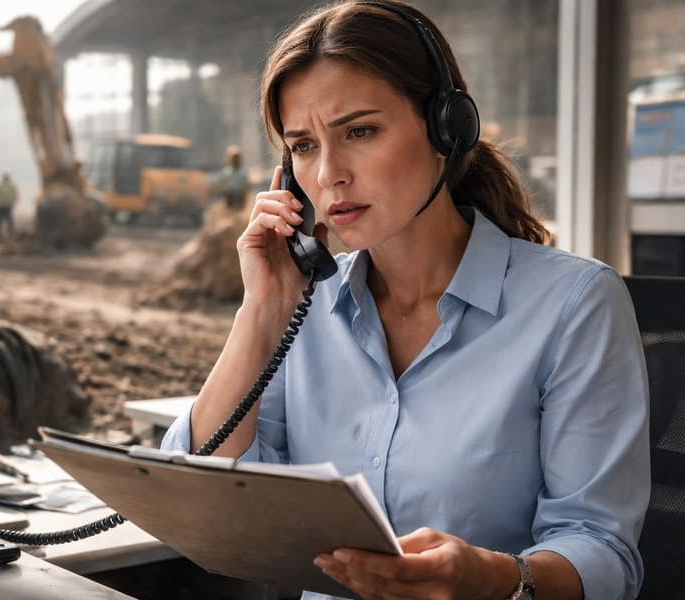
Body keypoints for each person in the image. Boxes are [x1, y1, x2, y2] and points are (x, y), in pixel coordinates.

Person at [161, 2, 649, 600]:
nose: (330, 174)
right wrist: (261, 309)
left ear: (448, 129)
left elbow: (603, 550)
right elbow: (199, 496)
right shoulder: (303, 308)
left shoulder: (575, 304)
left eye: (359, 132)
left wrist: (494, 579)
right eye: (304, 146)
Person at [218, 144, 250, 210]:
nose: (235, 160)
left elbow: (246, 187)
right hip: (230, 199)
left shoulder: (243, 173)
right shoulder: (226, 172)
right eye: (233, 158)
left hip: (240, 199)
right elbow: (222, 187)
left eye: (236, 158)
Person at [0, 171, 18, 239]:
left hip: (5, 204)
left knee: (4, 219)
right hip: (3, 204)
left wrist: (14, 201)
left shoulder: (5, 184)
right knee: (4, 219)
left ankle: (7, 233)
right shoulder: (6, 184)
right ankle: (1, 233)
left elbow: (15, 194)